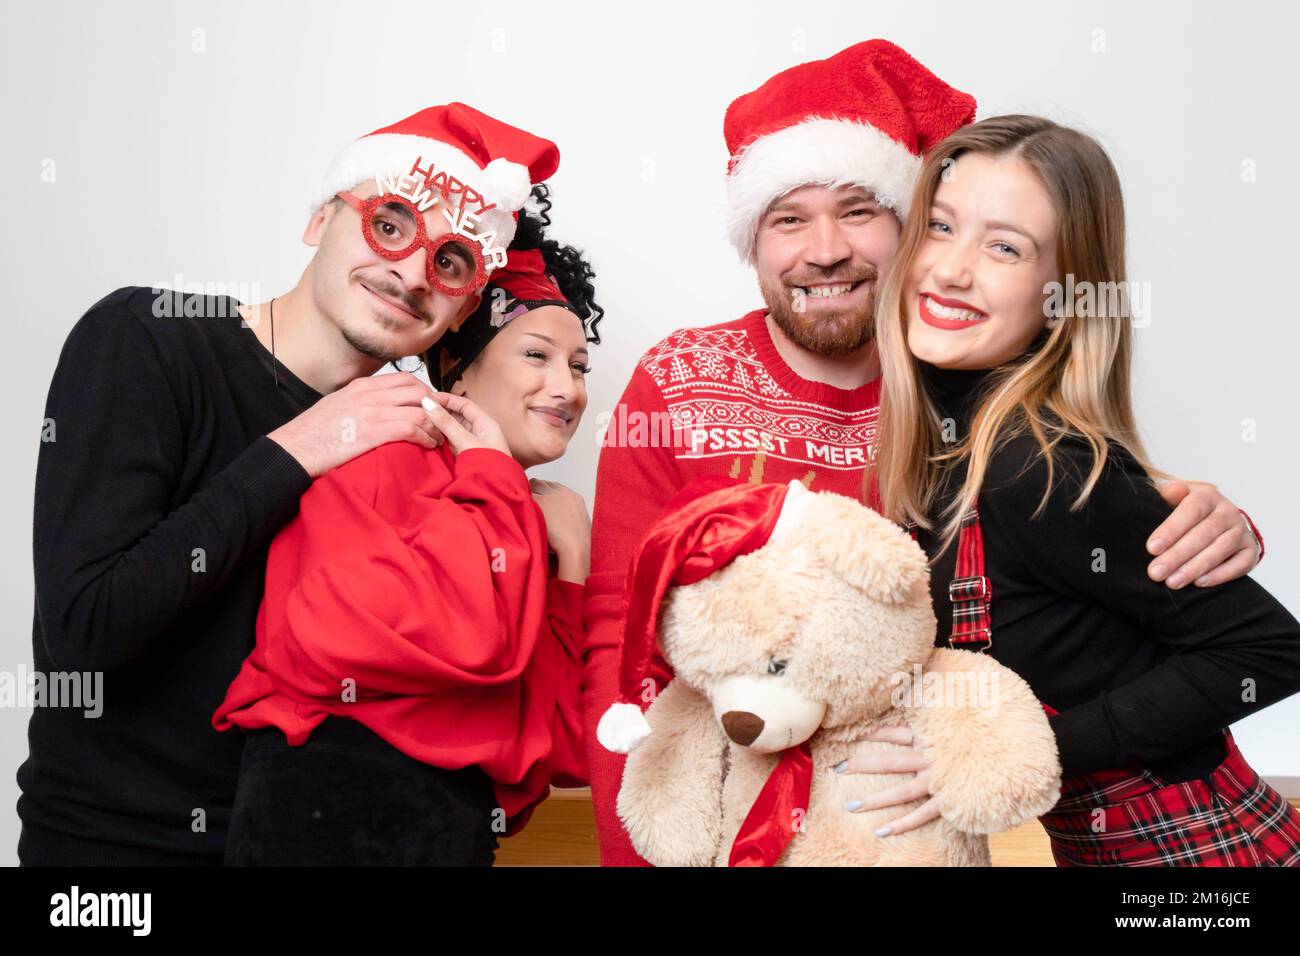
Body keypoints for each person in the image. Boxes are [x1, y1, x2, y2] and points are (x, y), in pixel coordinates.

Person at [583, 40, 1268, 865]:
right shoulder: (679, 382)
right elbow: (618, 638)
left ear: (907, 231)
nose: (825, 248)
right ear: (752, 242)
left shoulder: (968, 400)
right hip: (721, 819)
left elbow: (1085, 527)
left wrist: (1205, 523)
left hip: (910, 831)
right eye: (788, 217)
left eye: (860, 209)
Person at [18, 101, 559, 865]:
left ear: (465, 304)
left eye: (451, 260)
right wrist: (300, 448)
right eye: (392, 223)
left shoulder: (419, 439)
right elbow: (85, 636)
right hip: (115, 858)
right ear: (320, 220)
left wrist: (506, 493)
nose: (410, 273)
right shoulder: (149, 340)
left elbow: (459, 681)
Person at [855, 113, 1300, 865]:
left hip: (1200, 857)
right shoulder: (948, 451)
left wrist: (1022, 755)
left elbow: (1270, 652)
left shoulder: (1037, 462)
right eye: (939, 226)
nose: (951, 270)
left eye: (1005, 248)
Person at [214, 195, 602, 865]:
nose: (565, 388)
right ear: (456, 365)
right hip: (318, 819)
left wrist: (572, 571)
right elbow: (443, 637)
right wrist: (489, 476)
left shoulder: (530, 517)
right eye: (537, 355)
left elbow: (566, 749)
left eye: (578, 365)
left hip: (450, 835)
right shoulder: (379, 452)